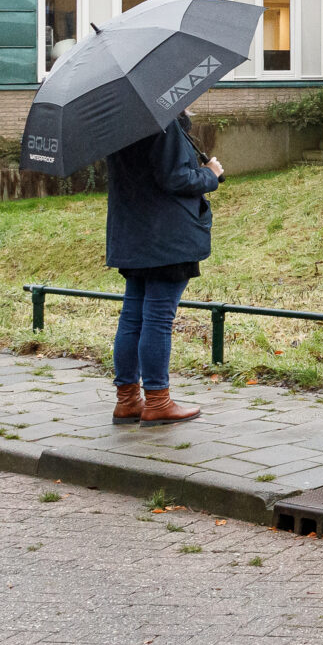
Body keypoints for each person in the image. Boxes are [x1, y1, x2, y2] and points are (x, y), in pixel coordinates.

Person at [104, 115, 223, 425]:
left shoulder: (119, 122)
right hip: (166, 235)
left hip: (134, 232)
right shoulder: (161, 123)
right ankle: (157, 400)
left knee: (133, 315)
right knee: (157, 317)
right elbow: (176, 179)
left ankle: (127, 399)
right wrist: (209, 174)